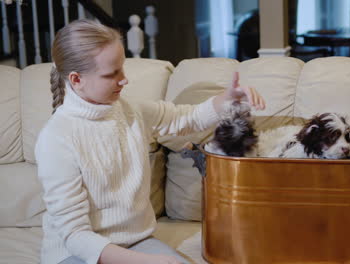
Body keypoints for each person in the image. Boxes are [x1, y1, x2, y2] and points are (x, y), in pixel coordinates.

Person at [35, 19, 265, 264]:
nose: (124, 79)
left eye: (122, 68)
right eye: (111, 74)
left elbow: (186, 119)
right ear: (76, 80)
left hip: (135, 242)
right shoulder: (56, 138)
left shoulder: (130, 110)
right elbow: (75, 236)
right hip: (77, 253)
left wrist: (227, 99)